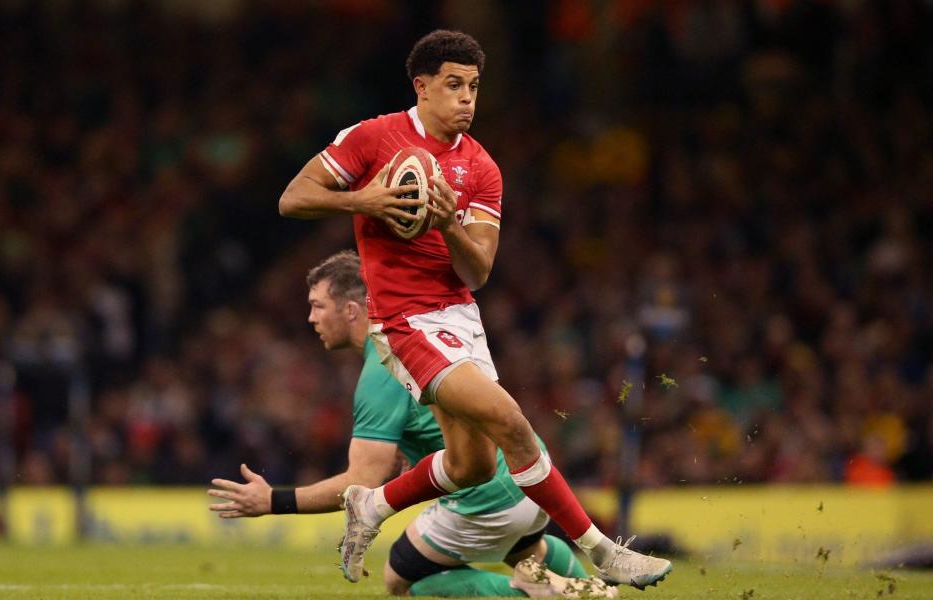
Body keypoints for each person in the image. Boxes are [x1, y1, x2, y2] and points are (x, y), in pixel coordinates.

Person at [277, 30, 672, 590]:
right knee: (513, 424)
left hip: (459, 317)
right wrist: (363, 200)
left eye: (475, 87)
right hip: (403, 323)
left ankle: (371, 506)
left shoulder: (482, 168)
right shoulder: (372, 138)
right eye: (454, 85)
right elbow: (292, 197)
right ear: (422, 87)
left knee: (472, 466)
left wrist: (447, 225)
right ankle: (602, 550)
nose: (467, 98)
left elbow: (478, 271)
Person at [207, 251, 617, 598]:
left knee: (400, 575)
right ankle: (581, 589)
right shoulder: (416, 334)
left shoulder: (379, 371)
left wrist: (273, 502)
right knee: (529, 554)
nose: (311, 317)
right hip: (531, 474)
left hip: (489, 497)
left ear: (351, 310)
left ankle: (539, 593)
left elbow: (361, 482)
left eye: (317, 305)